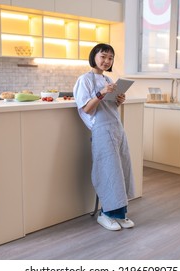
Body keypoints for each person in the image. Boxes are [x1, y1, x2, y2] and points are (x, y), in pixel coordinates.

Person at [73, 43, 135, 231]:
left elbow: (109, 108)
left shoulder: (108, 79)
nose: (107, 61)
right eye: (104, 56)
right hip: (101, 130)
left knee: (122, 169)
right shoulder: (85, 80)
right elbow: (85, 109)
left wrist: (118, 100)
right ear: (94, 56)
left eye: (110, 58)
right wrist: (101, 93)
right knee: (109, 172)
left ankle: (121, 214)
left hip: (116, 128)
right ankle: (106, 213)